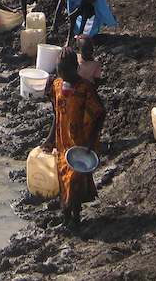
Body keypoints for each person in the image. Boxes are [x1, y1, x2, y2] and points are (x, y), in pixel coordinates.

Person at [40, 48, 105, 231]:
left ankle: (76, 218)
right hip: (62, 142)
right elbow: (56, 115)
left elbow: (100, 112)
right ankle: (65, 217)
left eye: (67, 70)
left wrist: (92, 141)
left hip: (80, 143)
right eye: (60, 70)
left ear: (76, 67)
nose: (63, 74)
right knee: (63, 181)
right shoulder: (56, 86)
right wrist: (50, 139)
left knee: (74, 181)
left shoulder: (85, 88)